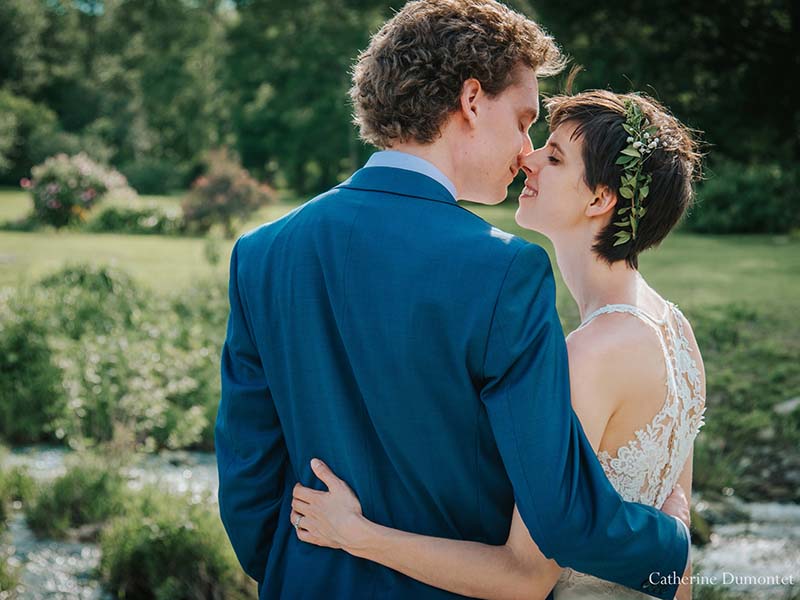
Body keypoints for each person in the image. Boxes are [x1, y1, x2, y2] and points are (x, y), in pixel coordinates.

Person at [215, 1, 692, 598]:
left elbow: (247, 479)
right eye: (523, 120)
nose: (525, 148)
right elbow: (557, 508)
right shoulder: (504, 270)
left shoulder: (261, 252)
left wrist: (295, 571)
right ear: (471, 100)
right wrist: (671, 547)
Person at [290, 89, 705, 600]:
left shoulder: (590, 357)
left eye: (554, 157)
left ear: (600, 200)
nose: (528, 159)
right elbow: (678, 544)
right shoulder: (675, 328)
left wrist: (357, 535)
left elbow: (525, 576)